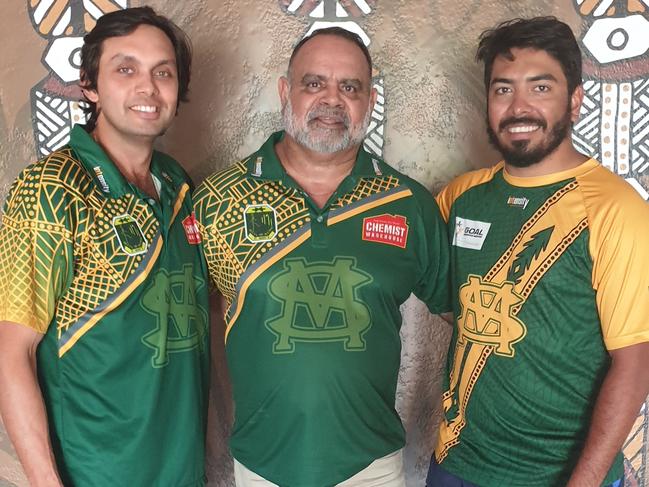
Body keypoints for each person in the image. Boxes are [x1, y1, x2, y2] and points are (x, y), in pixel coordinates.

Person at [194, 27, 450, 487]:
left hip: (371, 467)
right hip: (261, 464)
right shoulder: (219, 199)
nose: (332, 100)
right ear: (284, 92)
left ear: (369, 101)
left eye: (349, 87)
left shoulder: (407, 204)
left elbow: (463, 314)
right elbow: (191, 312)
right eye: (314, 83)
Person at [427, 16, 649, 487]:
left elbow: (635, 362)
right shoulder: (460, 198)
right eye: (503, 90)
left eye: (540, 88)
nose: (519, 107)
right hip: (456, 465)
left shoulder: (614, 208)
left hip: (560, 475)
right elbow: (444, 294)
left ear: (574, 100)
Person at [0, 7, 209, 486]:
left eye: (164, 72)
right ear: (90, 86)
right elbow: (12, 353)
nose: (148, 88)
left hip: (181, 471)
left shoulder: (177, 185)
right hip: (96, 473)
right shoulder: (51, 188)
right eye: (125, 69)